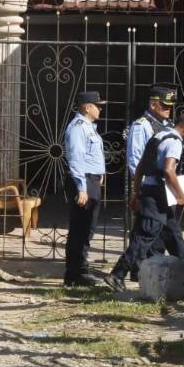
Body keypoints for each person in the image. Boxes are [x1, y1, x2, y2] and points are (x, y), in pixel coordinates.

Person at [104, 112, 184, 292]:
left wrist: (136, 193)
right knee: (143, 238)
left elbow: (140, 167)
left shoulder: (159, 135)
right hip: (158, 197)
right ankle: (117, 274)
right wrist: (181, 195)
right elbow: (169, 171)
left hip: (150, 192)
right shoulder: (175, 142)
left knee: (175, 239)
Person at [124, 85, 178, 278]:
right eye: (164, 105)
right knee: (145, 230)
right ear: (153, 104)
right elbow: (135, 159)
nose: (168, 109)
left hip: (165, 187)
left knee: (160, 232)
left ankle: (153, 269)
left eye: (170, 106)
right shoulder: (142, 126)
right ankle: (138, 270)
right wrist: (141, 188)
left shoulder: (168, 125)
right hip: (150, 186)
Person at [63, 91, 107, 288]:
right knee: (80, 229)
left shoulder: (89, 127)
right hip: (84, 181)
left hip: (92, 180)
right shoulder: (78, 127)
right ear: (87, 107)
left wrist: (99, 175)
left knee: (87, 228)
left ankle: (80, 270)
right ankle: (75, 274)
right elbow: (76, 159)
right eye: (98, 105)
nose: (100, 109)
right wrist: (82, 188)